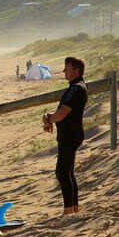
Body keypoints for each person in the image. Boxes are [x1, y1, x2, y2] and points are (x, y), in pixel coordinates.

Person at [43, 56, 88, 215]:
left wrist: (50, 119)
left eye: (67, 69)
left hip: (70, 134)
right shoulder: (76, 87)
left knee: (62, 173)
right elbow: (61, 112)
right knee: (68, 172)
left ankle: (68, 210)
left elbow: (62, 113)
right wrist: (50, 117)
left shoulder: (76, 88)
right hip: (71, 133)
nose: (64, 71)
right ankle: (74, 208)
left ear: (76, 71)